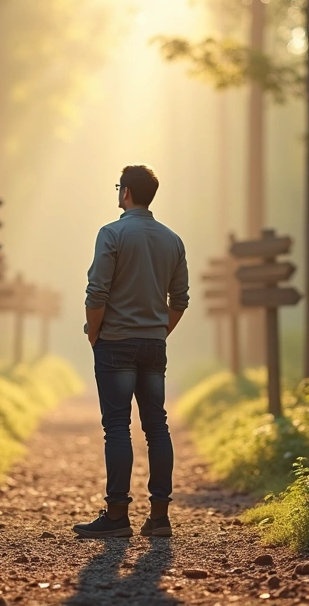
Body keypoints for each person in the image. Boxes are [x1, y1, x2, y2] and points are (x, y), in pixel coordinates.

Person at [73, 165, 189, 539]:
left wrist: (95, 333)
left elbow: (97, 292)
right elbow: (180, 299)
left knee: (117, 428)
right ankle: (159, 517)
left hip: (115, 344)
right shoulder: (173, 240)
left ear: (126, 193)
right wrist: (159, 332)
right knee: (157, 427)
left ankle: (117, 515)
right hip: (154, 345)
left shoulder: (112, 233)